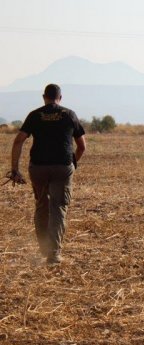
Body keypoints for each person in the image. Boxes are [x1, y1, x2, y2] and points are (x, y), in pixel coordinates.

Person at [8, 84, 86, 264]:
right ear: (60, 97)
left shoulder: (35, 115)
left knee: (42, 205)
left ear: (44, 97)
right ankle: (54, 253)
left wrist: (15, 169)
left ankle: (43, 248)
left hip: (38, 168)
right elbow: (82, 146)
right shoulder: (69, 114)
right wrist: (73, 163)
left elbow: (18, 141)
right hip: (62, 167)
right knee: (58, 207)